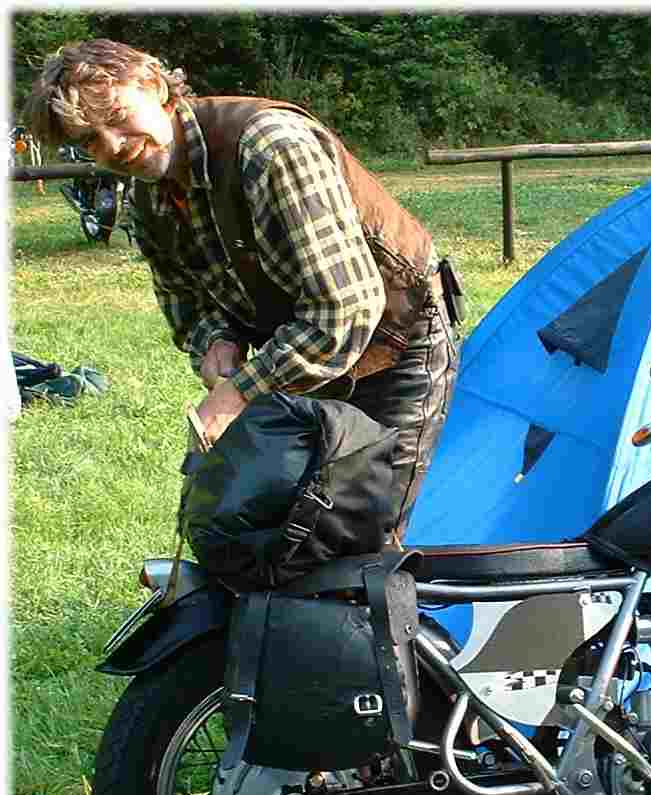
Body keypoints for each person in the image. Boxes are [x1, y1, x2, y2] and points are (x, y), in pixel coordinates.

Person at [25, 38, 460, 541]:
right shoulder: (147, 199)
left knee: (365, 528)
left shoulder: (271, 146)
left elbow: (346, 307)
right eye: (90, 141)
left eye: (117, 117)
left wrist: (238, 393)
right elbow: (184, 300)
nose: (114, 145)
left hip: (394, 342)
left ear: (153, 84)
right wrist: (217, 340)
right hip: (296, 356)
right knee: (291, 523)